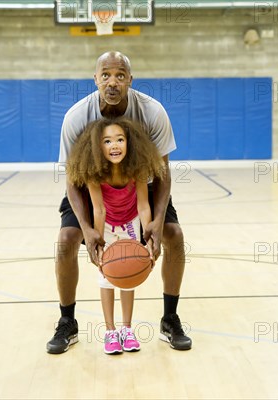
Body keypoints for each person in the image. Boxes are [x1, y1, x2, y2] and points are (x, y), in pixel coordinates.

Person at [46, 51, 192, 354]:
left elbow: (162, 173)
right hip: (92, 189)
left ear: (130, 80)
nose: (113, 82)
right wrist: (86, 227)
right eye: (106, 75)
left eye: (120, 76)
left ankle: (170, 318)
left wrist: (155, 220)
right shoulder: (76, 116)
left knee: (174, 236)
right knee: (66, 240)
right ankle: (67, 322)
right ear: (96, 79)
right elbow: (73, 181)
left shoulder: (152, 112)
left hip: (140, 187)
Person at [65, 117, 166, 354]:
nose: (114, 145)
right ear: (98, 147)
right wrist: (99, 242)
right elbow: (98, 209)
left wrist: (149, 235)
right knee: (108, 275)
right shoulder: (94, 173)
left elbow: (143, 206)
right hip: (108, 223)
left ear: (130, 143)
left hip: (130, 222)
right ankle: (110, 331)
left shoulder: (137, 169)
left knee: (129, 275)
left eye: (120, 140)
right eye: (107, 141)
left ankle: (127, 329)